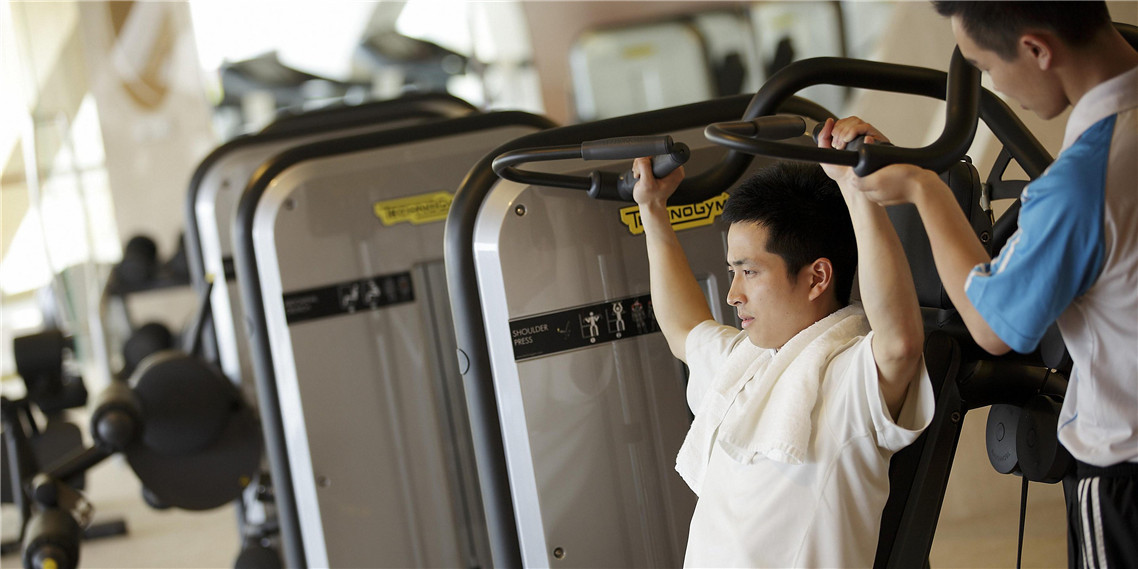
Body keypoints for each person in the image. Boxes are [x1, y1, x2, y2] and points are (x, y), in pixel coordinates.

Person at [826, 2, 1138, 567]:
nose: (994, 85)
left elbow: (994, 326)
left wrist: (926, 190)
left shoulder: (1082, 182)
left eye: (987, 68)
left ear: (1036, 49)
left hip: (1125, 468)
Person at [630, 130, 934, 567]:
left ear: (817, 278)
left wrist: (856, 188)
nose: (733, 295)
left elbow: (901, 344)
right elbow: (685, 329)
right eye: (733, 272)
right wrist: (653, 208)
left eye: (750, 272)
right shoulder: (746, 365)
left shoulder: (847, 381)